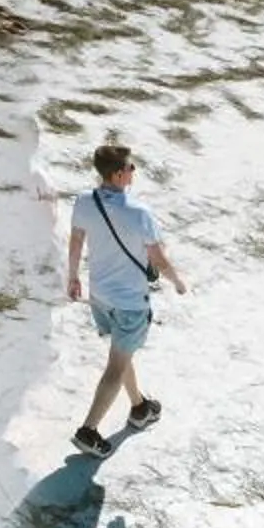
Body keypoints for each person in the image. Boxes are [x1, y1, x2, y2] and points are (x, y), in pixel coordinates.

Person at [64, 142, 186, 455]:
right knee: (116, 365)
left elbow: (76, 241)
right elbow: (158, 259)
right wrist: (179, 281)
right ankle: (88, 430)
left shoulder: (83, 202)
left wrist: (73, 276)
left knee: (121, 351)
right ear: (119, 175)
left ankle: (140, 407)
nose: (134, 171)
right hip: (130, 301)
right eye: (131, 167)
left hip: (99, 296)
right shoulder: (139, 212)